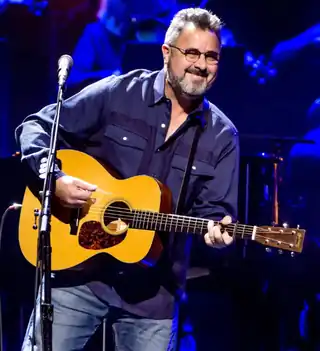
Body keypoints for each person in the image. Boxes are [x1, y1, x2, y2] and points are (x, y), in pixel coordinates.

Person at [16, 7, 239, 351]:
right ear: (167, 53)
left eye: (212, 56)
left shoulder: (223, 136)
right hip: (79, 273)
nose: (201, 64)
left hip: (153, 296)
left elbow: (214, 212)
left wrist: (217, 232)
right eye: (192, 52)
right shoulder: (118, 93)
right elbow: (36, 127)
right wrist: (54, 179)